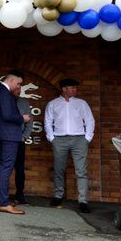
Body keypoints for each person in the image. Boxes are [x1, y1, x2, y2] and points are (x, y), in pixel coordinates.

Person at [45, 78, 95, 213]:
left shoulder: (82, 103)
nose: (75, 90)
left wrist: (87, 138)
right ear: (64, 89)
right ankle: (58, 196)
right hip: (59, 139)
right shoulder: (53, 104)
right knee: (59, 169)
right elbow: (48, 121)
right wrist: (52, 138)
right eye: (72, 88)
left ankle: (83, 200)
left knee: (81, 171)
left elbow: (90, 120)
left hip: (79, 139)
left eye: (75, 88)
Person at [0, 69, 31, 215]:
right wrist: (23, 118)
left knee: (2, 167)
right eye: (19, 83)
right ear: (12, 80)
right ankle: (4, 203)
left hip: (4, 135)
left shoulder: (0, 92)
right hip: (9, 135)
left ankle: (0, 198)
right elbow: (7, 115)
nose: (19, 87)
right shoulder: (4, 93)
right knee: (6, 167)